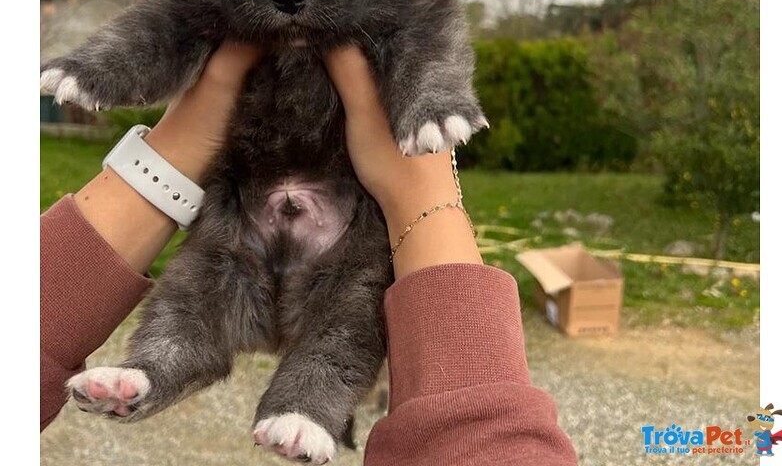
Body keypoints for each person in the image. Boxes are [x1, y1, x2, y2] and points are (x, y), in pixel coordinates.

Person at [40, 41, 578, 465]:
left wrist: (430, 106)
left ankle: (308, 409)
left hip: (349, 219)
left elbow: (431, 34)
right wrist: (107, 71)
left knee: (352, 309)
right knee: (199, 289)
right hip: (241, 202)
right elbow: (165, 25)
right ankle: (152, 374)